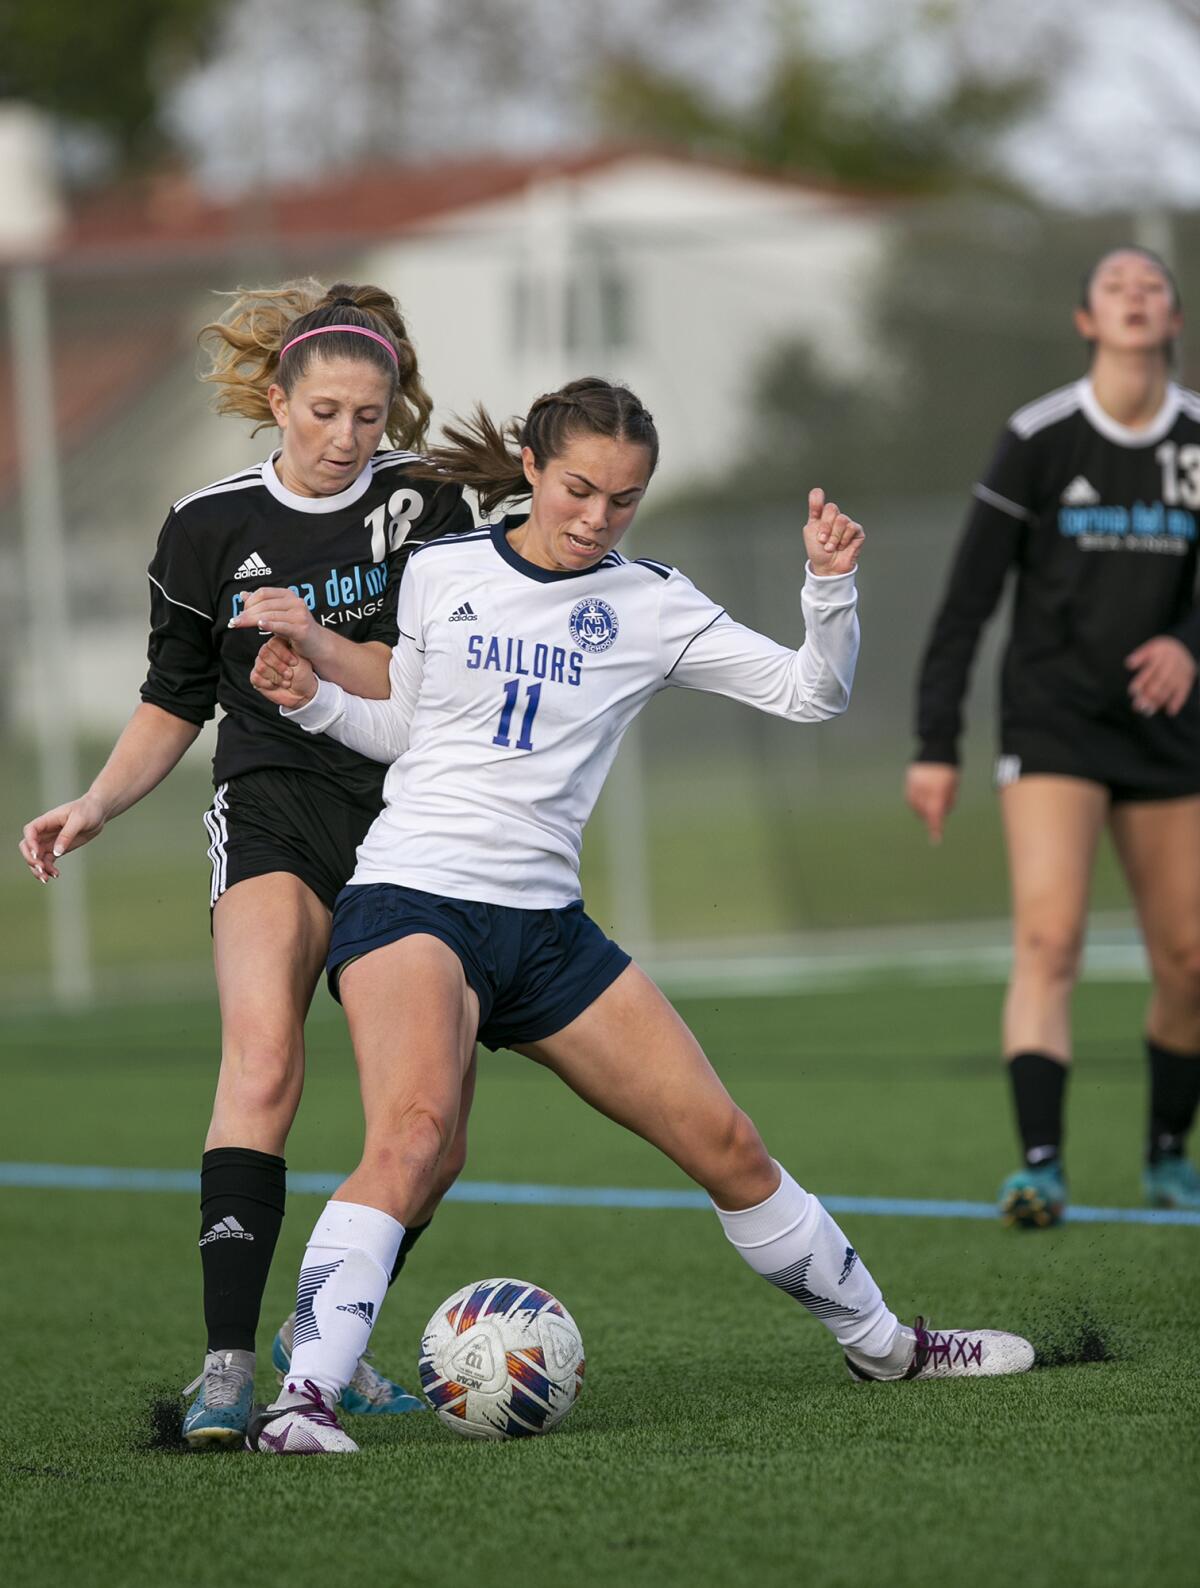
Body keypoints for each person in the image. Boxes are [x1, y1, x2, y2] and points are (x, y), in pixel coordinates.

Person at [242, 376, 1035, 1454]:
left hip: (549, 930)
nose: (596, 518)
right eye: (578, 489)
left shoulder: (653, 603)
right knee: (418, 1134)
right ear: (529, 466)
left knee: (729, 1143)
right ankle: (301, 1405)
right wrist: (323, 700)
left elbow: (812, 693)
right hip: (412, 898)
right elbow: (412, 732)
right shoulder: (439, 570)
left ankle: (887, 1345)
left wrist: (829, 589)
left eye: (623, 499)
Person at [18, 279, 475, 1446]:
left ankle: (330, 1337)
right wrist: (99, 802)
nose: (343, 438)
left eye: (369, 418)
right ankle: (225, 1367)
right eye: (322, 412)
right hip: (270, 804)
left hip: (409, 818)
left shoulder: (429, 506)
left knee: (431, 1123)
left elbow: (438, 687)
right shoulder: (206, 525)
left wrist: (323, 661)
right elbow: (174, 700)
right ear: (277, 397)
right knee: (262, 1057)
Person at [907, 246, 1200, 1228]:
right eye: (1115, 286)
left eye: (1150, 287)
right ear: (1086, 319)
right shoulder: (1039, 437)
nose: (1133, 296)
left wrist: (1188, 645)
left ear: (1171, 319)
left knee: (1191, 957)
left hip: (1169, 735)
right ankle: (1040, 1165)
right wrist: (935, 742)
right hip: (1055, 719)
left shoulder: (1198, 438)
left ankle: (1168, 1153)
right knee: (1049, 934)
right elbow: (968, 600)